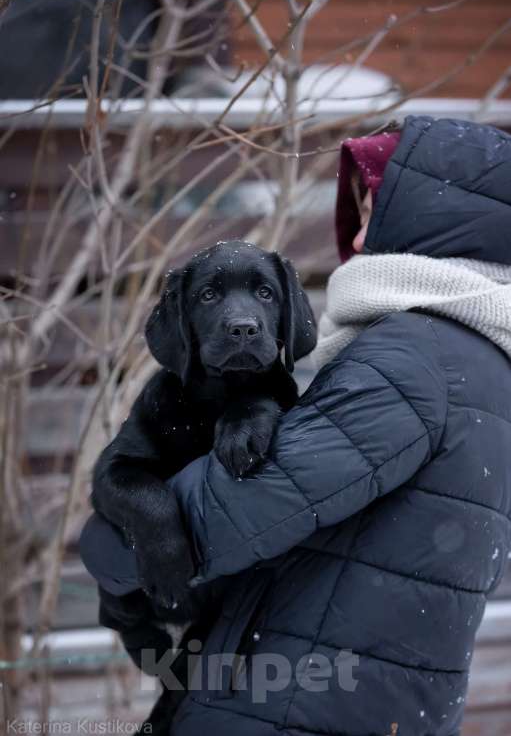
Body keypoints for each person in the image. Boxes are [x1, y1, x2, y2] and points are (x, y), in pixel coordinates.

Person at [83, 114, 511, 735]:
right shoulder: (479, 351)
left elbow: (251, 504)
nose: (357, 241)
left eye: (371, 215)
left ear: (427, 221)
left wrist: (106, 550)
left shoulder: (415, 357)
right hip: (361, 692)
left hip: (300, 702)